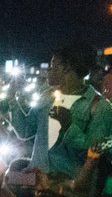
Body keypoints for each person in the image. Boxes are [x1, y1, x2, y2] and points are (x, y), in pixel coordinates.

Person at [10, 40, 112, 180]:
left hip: (67, 188)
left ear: (66, 68)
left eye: (53, 65)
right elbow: (25, 132)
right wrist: (13, 101)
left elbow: (94, 155)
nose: (48, 70)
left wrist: (68, 127)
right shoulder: (47, 97)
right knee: (8, 179)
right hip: (35, 182)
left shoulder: (100, 107)